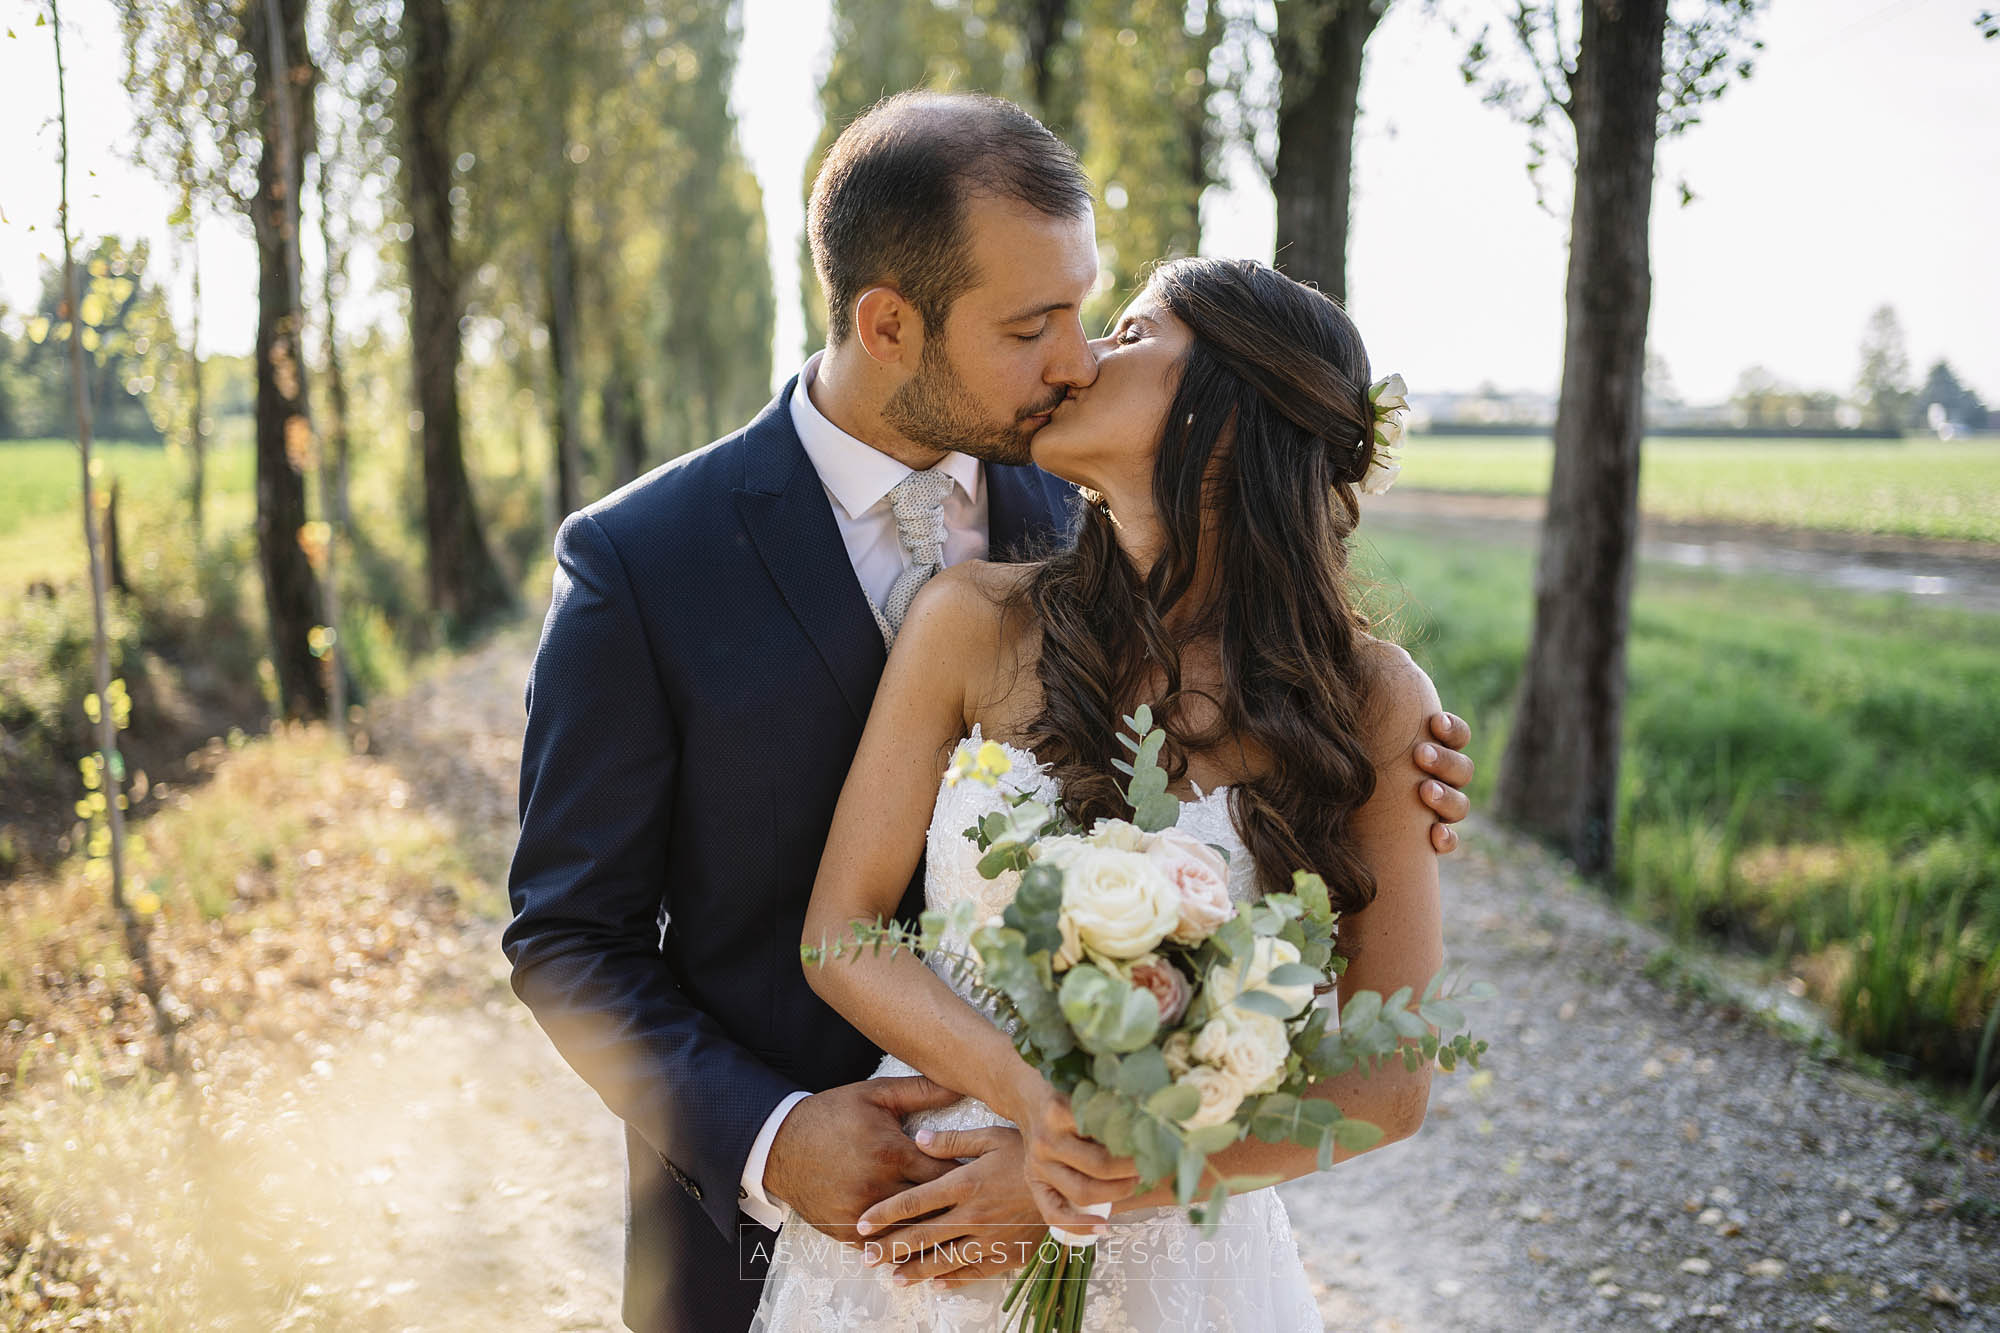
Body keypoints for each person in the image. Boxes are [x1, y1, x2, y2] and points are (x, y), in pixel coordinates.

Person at [503, 92, 1472, 1333]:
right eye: (1037, 326)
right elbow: (570, 938)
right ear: (889, 323)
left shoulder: (1071, 475)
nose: (1072, 358)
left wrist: (1392, 767)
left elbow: (1378, 1049)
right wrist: (772, 1137)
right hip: (818, 1233)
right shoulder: (644, 563)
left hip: (1152, 1257)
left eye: (1095, 317)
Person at [752, 255, 1445, 1330]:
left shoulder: (1371, 702)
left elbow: (1387, 1086)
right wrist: (1039, 1118)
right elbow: (841, 934)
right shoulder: (970, 621)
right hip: (935, 1217)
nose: (1076, 363)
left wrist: (1097, 1180)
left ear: (1229, 410)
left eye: (1128, 335)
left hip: (1181, 1259)